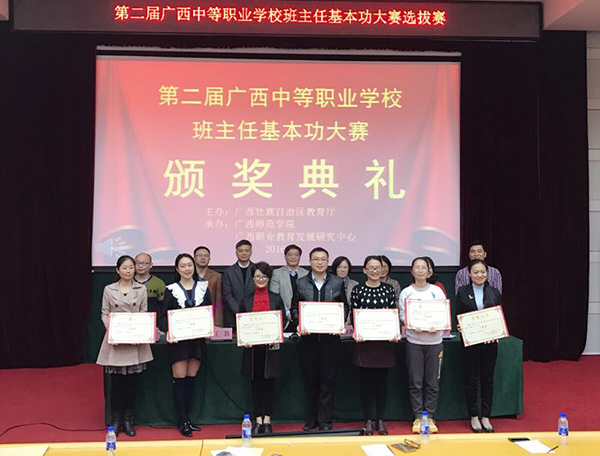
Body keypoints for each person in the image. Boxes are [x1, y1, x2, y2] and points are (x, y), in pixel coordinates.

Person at [291, 247, 348, 431]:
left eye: (323, 259)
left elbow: (344, 307)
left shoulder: (337, 282)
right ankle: (312, 419)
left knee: (328, 382)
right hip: (308, 340)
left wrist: (338, 323)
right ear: (310, 262)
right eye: (316, 259)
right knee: (311, 381)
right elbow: (294, 308)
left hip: (330, 341)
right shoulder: (300, 283)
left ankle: (325, 420)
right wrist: (299, 322)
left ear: (328, 261)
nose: (320, 262)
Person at [97, 255, 153, 437]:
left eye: (131, 267)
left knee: (131, 384)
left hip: (134, 341)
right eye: (125, 268)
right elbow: (104, 313)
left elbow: (144, 312)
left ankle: (128, 420)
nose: (128, 271)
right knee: (116, 384)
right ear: (117, 270)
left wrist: (140, 332)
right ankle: (115, 420)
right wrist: (112, 331)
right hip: (116, 341)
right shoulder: (109, 289)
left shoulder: (141, 289)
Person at [159, 253, 212, 437]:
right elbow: (163, 317)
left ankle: (188, 418)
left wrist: (209, 327)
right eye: (183, 266)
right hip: (179, 342)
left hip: (197, 341)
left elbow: (210, 312)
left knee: (191, 379)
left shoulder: (203, 288)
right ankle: (181, 421)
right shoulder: (171, 290)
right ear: (177, 269)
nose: (187, 269)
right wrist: (169, 331)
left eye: (190, 265)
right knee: (180, 379)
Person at [350, 256, 398, 436]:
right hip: (364, 344)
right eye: (371, 267)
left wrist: (394, 332)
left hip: (384, 344)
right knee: (366, 383)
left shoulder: (388, 289)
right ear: (364, 270)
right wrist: (358, 331)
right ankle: (368, 419)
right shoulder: (358, 290)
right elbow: (353, 314)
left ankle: (380, 419)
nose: (375, 271)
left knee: (381, 383)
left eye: (378, 267)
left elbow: (393, 313)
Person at [399, 257, 447, 434]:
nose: (420, 270)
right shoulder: (406, 293)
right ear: (412, 271)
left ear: (429, 271)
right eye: (417, 267)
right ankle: (418, 417)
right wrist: (412, 324)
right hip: (414, 343)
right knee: (415, 382)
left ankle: (430, 416)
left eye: (423, 267)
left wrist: (438, 325)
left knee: (433, 382)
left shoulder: (437, 291)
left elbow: (443, 314)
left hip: (435, 343)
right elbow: (403, 315)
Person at [456, 259, 503, 433]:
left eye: (483, 272)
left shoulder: (494, 292)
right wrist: (460, 326)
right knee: (471, 379)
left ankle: (486, 416)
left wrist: (497, 331)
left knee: (487, 379)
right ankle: (474, 415)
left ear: (487, 273)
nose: (479, 275)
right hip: (470, 342)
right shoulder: (462, 292)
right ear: (469, 274)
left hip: (489, 343)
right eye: (475, 272)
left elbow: (498, 315)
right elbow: (458, 315)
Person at [239, 261, 285, 435]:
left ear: (269, 278)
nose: (260, 279)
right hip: (252, 350)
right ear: (253, 278)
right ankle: (258, 419)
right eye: (257, 276)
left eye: (264, 276)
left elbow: (282, 321)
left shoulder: (276, 298)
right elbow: (241, 321)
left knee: (269, 384)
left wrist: (276, 334)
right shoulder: (246, 299)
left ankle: (268, 420)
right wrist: (244, 337)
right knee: (256, 384)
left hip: (270, 349)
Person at [270, 244, 309, 331]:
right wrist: (286, 311)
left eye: (296, 255)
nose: (293, 257)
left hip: (303, 316)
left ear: (300, 257)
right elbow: (274, 295)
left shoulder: (306, 274)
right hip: (283, 316)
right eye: (290, 255)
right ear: (285, 257)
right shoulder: (277, 273)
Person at [223, 240, 255, 329]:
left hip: (254, 315)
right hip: (233, 316)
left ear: (251, 252)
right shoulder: (228, 272)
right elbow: (227, 294)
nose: (244, 253)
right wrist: (238, 312)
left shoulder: (257, 269)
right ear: (236, 253)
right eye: (241, 251)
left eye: (247, 251)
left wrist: (250, 311)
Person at [193, 246, 224, 327]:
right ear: (194, 258)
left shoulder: (217, 276)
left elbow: (219, 301)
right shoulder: (188, 275)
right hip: (191, 317)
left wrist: (217, 323)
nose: (203, 258)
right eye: (200, 255)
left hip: (209, 317)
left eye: (206, 256)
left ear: (209, 259)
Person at [134, 252, 166, 317]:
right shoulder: (129, 281)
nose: (140, 266)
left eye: (144, 263)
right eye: (137, 263)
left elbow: (163, 306)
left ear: (151, 265)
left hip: (152, 318)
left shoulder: (158, 283)